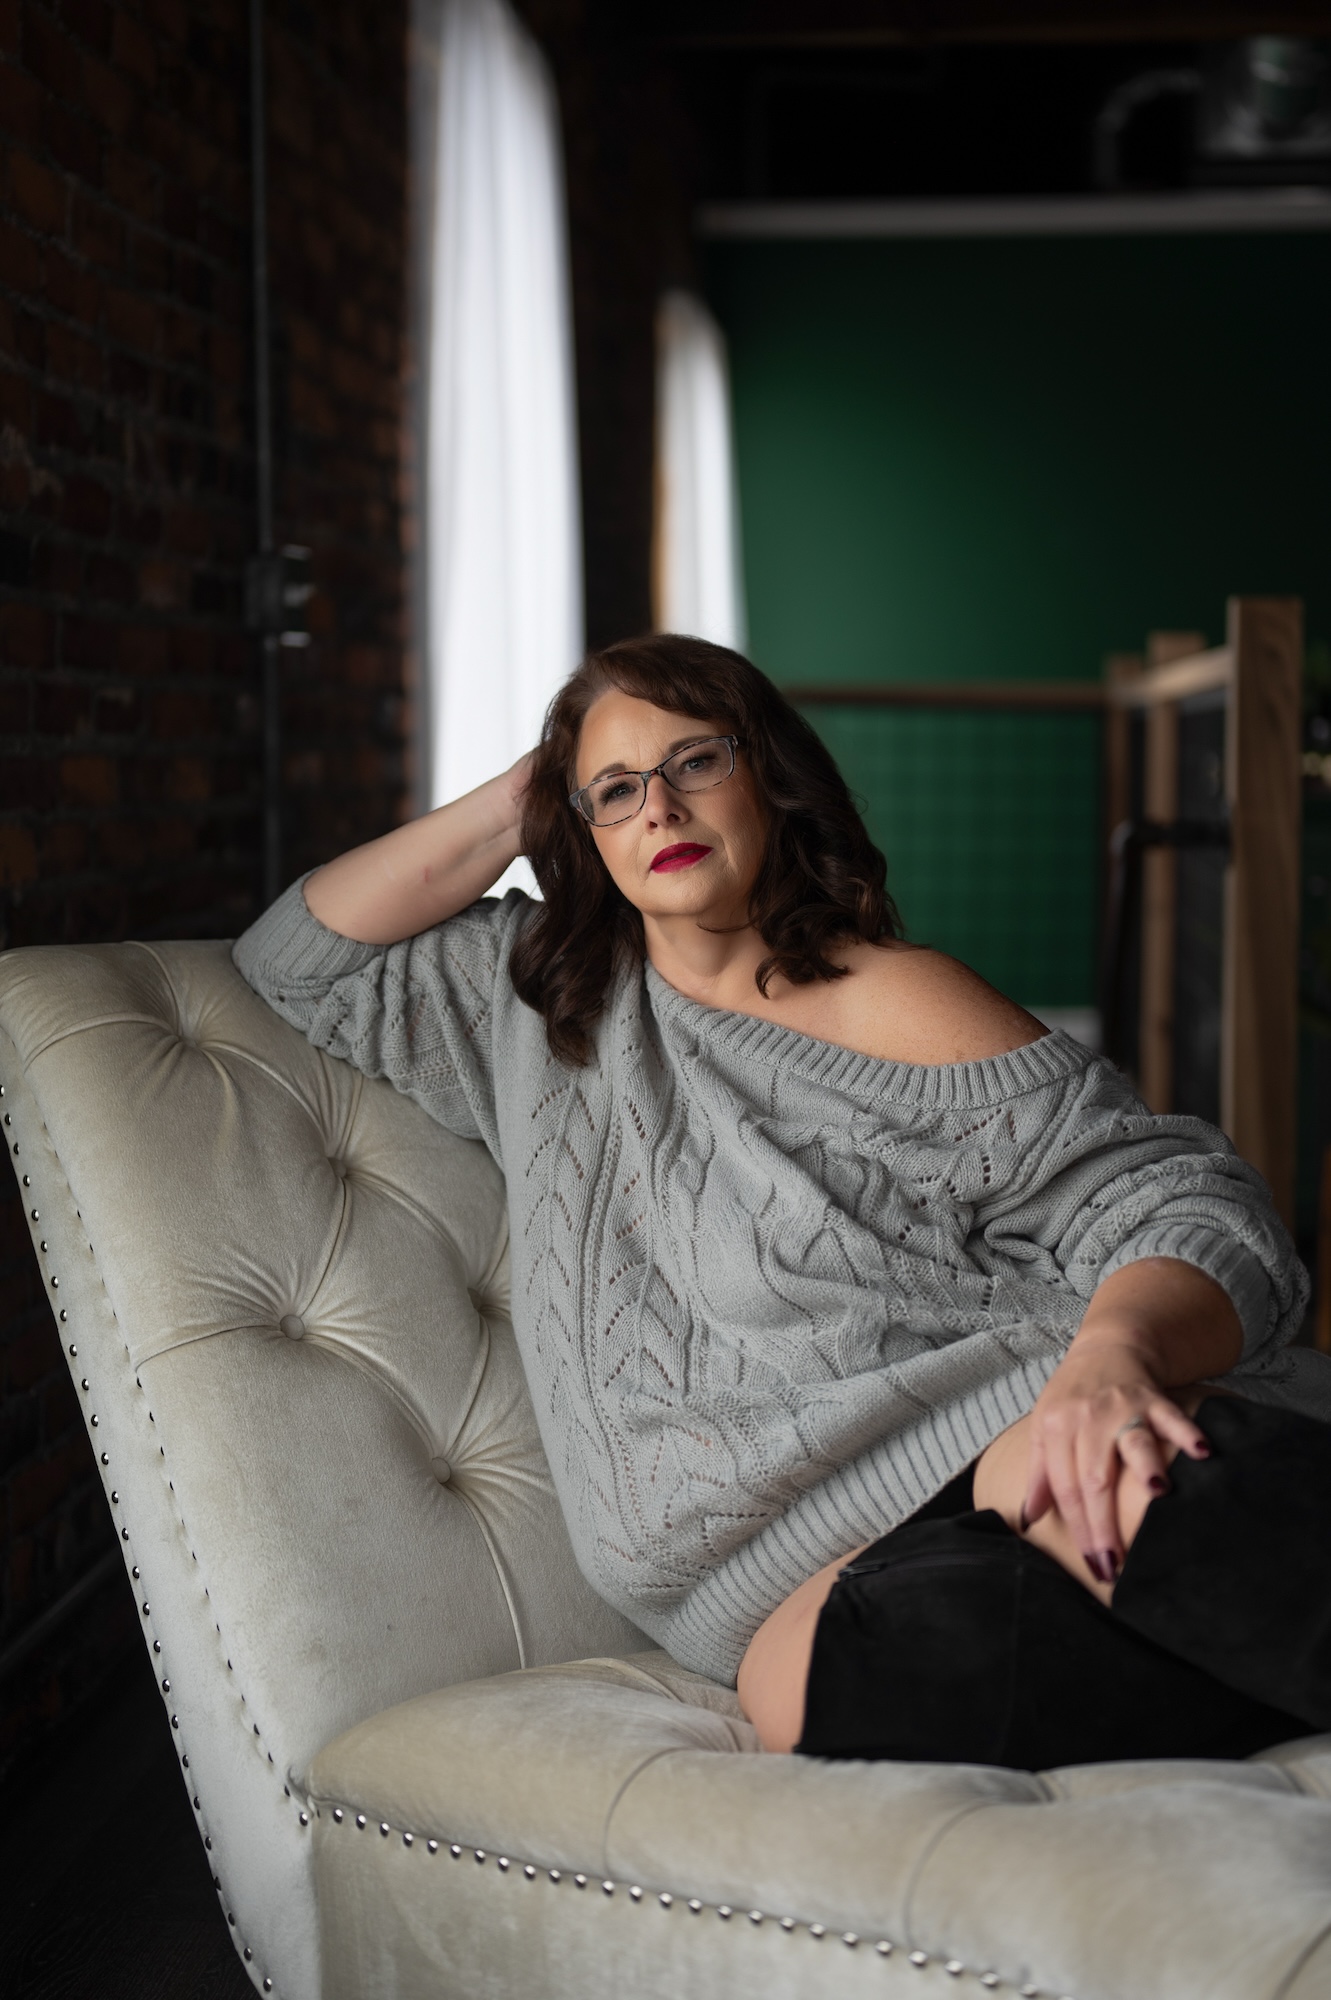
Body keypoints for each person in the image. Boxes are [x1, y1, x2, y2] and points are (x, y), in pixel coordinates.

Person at [234, 634, 1331, 1770]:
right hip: (783, 1579)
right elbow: (296, 956)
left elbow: (1177, 1196)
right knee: (798, 1684)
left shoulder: (889, 999)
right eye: (618, 790)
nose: (658, 806)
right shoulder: (528, 1007)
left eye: (696, 761)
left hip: (1005, 1421)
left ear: (768, 775)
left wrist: (1107, 1356)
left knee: (1072, 1480)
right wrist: (542, 787)